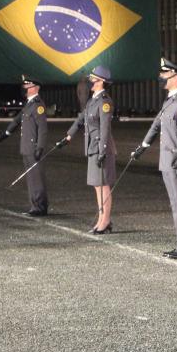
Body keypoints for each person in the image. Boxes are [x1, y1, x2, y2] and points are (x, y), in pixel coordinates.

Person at [131, 58, 177, 259]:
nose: (161, 78)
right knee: (175, 203)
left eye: (164, 74)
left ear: (176, 77)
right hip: (168, 161)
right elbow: (156, 125)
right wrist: (143, 146)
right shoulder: (169, 101)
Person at [62, 66, 117, 234]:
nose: (90, 82)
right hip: (93, 147)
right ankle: (102, 219)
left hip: (102, 148)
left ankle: (105, 220)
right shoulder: (93, 100)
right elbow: (81, 118)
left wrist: (102, 151)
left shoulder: (105, 102)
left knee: (103, 185)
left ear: (101, 82)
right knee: (97, 185)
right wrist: (69, 135)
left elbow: (105, 129)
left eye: (93, 79)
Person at [0, 74, 48, 216]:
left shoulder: (38, 105)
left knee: (36, 178)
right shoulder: (29, 104)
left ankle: (40, 207)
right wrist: (5, 133)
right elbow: (17, 121)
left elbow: (42, 129)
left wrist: (40, 147)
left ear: (35, 88)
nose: (24, 88)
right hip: (26, 147)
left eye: (27, 86)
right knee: (31, 178)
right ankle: (35, 205)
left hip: (33, 147)